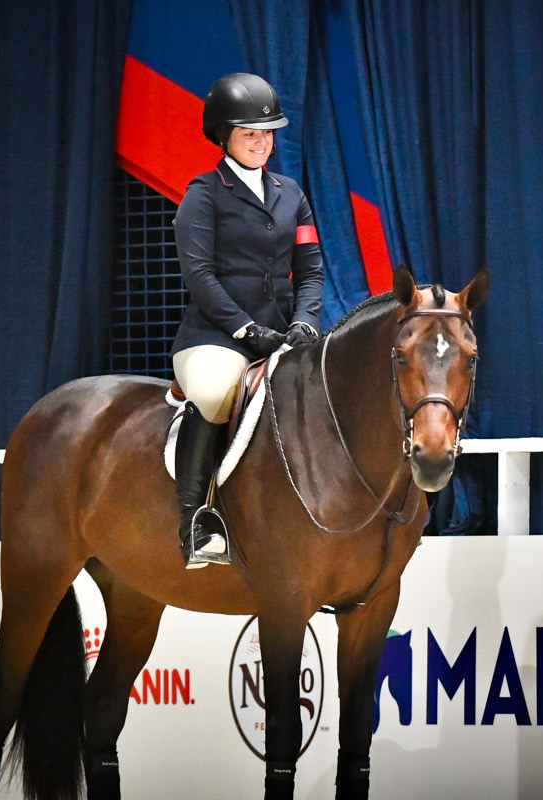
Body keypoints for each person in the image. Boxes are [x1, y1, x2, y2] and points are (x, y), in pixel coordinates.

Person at [171, 72, 324, 569]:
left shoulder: (291, 194)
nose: (263, 142)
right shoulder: (203, 196)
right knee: (216, 394)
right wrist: (245, 329)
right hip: (215, 337)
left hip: (280, 334)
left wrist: (303, 321)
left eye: (268, 132)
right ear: (224, 137)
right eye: (250, 134)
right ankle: (196, 521)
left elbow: (311, 269)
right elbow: (200, 276)